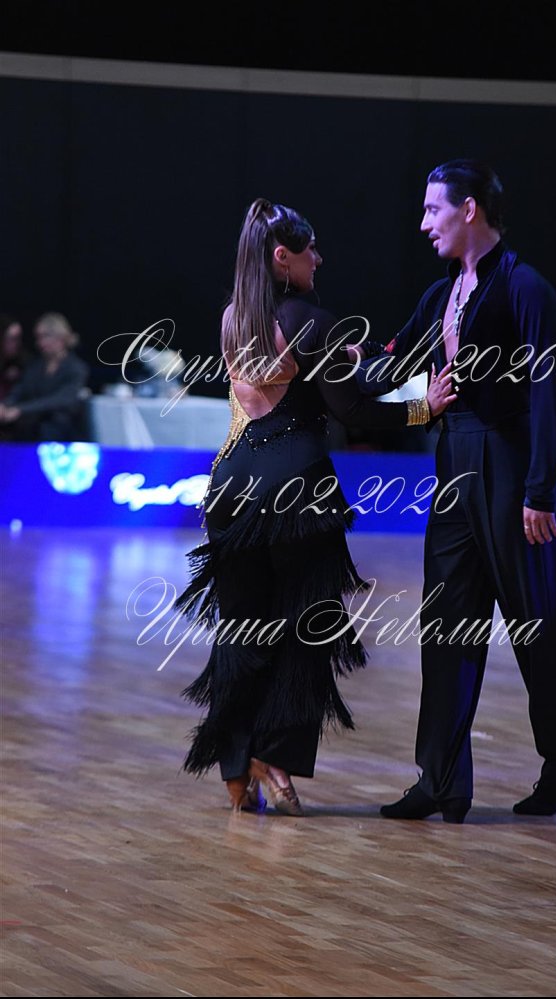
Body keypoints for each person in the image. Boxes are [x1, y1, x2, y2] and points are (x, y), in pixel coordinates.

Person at [174, 198, 455, 816]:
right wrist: (424, 408)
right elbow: (349, 409)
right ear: (283, 257)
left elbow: (305, 383)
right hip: (295, 490)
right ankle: (276, 758)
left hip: (231, 486)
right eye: (311, 250)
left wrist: (364, 361)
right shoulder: (313, 320)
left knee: (241, 628)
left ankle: (234, 765)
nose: (319, 259)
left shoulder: (233, 318)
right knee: (307, 628)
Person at [353, 160, 556, 822]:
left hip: (512, 472)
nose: (423, 223)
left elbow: (549, 392)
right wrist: (329, 368)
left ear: (469, 210)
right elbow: (395, 363)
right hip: (455, 466)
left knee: (535, 625)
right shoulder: (441, 294)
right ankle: (441, 780)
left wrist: (541, 490)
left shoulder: (526, 288)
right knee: (447, 624)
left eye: (433, 209)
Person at [0, 312, 89, 441]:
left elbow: (62, 399)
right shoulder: (34, 366)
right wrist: (5, 405)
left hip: (60, 427)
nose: (40, 343)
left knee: (50, 427)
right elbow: (20, 389)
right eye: (38, 338)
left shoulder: (76, 368)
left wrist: (20, 409)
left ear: (60, 338)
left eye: (45, 337)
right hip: (31, 424)